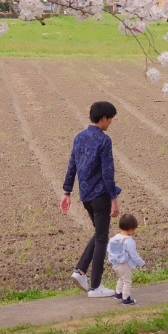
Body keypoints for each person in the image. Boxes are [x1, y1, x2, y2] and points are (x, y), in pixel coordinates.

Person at [61, 100, 121, 297]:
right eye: (110, 119)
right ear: (103, 118)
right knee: (102, 238)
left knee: (99, 233)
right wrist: (113, 198)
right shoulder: (104, 140)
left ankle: (80, 271)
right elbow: (108, 171)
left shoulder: (79, 137)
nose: (111, 123)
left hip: (86, 196)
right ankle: (95, 286)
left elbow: (72, 165)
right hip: (101, 195)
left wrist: (67, 192)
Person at [107, 213, 145, 305]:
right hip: (124, 265)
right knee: (127, 281)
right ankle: (126, 298)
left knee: (121, 278)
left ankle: (118, 293)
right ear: (131, 229)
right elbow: (133, 255)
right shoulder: (129, 241)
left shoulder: (115, 238)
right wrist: (141, 263)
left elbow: (109, 249)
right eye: (134, 229)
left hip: (115, 264)